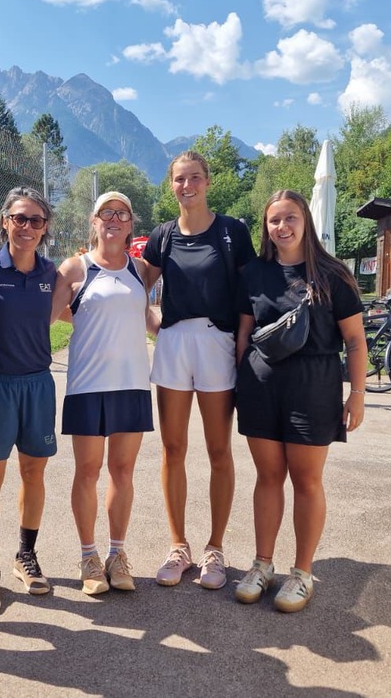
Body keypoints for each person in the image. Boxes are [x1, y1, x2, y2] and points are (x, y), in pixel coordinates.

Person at [231, 189, 366, 613]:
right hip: (261, 386)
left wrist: (357, 394)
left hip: (314, 386)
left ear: (305, 220)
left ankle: (302, 572)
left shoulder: (332, 274)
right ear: (266, 227)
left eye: (290, 217)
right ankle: (262, 565)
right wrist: (242, 383)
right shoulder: (254, 273)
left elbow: (355, 340)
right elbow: (244, 333)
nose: (282, 226)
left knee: (307, 480)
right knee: (267, 477)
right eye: (274, 220)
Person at [139, 151, 255, 589]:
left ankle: (215, 549)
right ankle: (178, 546)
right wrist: (156, 328)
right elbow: (136, 288)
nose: (186, 186)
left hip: (216, 342)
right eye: (179, 179)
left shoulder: (231, 232)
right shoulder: (163, 235)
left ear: (207, 181)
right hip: (174, 343)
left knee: (219, 450)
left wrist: (240, 345)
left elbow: (248, 296)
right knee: (173, 449)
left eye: (194, 178)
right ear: (171, 185)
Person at [50, 191, 157, 595]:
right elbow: (47, 316)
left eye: (122, 214)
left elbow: (144, 315)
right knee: (88, 471)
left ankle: (117, 554)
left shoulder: (140, 269)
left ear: (130, 225)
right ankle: (88, 557)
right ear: (93, 222)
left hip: (132, 384)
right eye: (106, 213)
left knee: (122, 471)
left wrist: (180, 335)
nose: (114, 219)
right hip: (87, 385)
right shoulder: (75, 267)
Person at [0, 187, 58, 613]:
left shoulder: (50, 273)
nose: (26, 226)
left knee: (33, 473)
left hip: (38, 385)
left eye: (35, 220)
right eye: (19, 218)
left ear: (45, 229)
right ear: (5, 221)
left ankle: (25, 555)